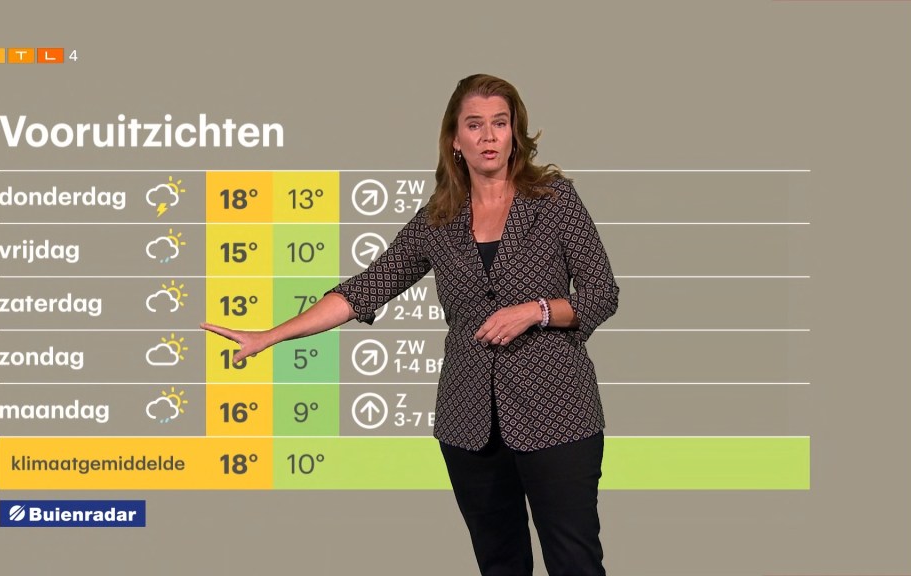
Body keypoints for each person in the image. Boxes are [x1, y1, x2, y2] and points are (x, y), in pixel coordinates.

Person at [202, 73, 619, 576]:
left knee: (574, 561)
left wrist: (538, 310)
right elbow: (366, 288)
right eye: (475, 125)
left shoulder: (554, 201)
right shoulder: (437, 221)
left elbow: (602, 294)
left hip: (558, 412)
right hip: (469, 423)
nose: (488, 136)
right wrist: (271, 335)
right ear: (455, 140)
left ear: (515, 133)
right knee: (499, 563)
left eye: (500, 123)